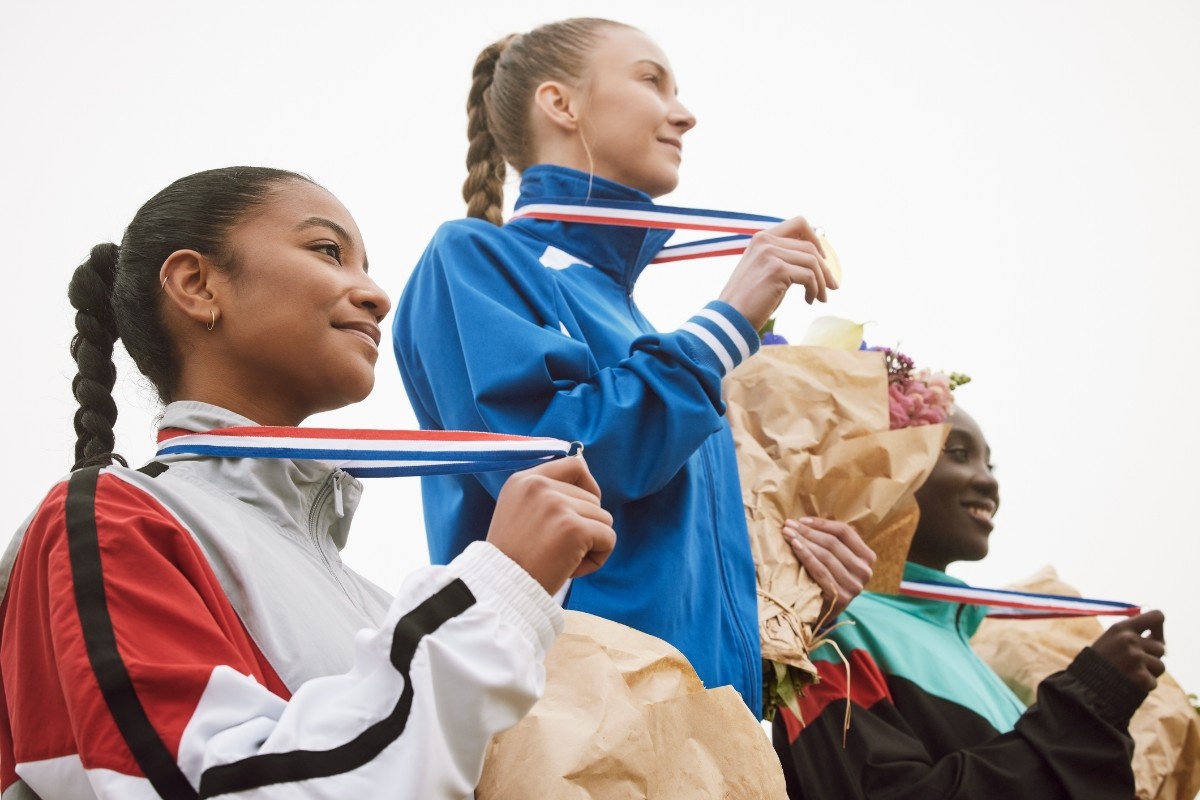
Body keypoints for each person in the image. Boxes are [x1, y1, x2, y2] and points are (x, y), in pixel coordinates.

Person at [0, 166, 618, 800]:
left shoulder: (375, 603)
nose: (377, 294)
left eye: (367, 265)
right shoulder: (112, 520)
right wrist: (499, 593)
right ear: (196, 284)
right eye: (329, 251)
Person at [391, 17, 858, 716]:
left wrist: (805, 592)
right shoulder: (476, 258)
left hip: (706, 735)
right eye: (651, 80)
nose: (684, 113)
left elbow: (672, 576)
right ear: (561, 104)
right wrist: (729, 320)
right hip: (575, 727)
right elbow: (566, 462)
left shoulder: (643, 327)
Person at [772, 407, 1167, 798]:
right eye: (958, 453)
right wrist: (1087, 703)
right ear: (875, 469)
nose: (988, 482)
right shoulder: (835, 626)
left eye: (990, 465)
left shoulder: (986, 668)